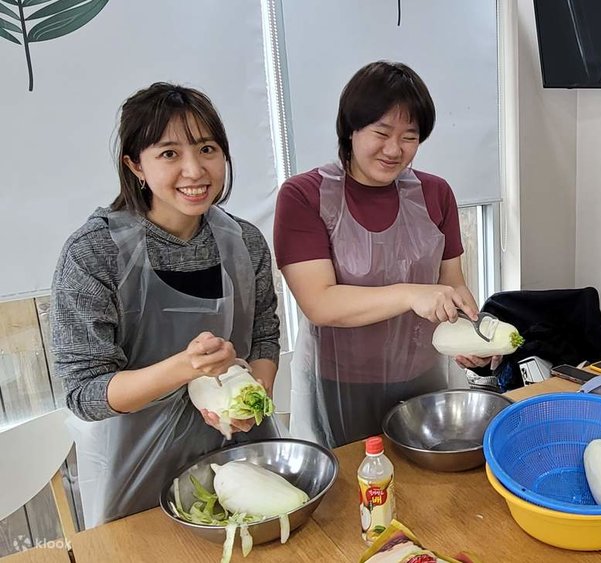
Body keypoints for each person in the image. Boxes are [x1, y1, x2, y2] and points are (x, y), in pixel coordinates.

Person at [51, 83, 281, 528]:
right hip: (138, 474)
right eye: (169, 153)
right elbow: (86, 394)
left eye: (207, 149)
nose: (194, 170)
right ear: (135, 165)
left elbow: (265, 335)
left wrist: (255, 397)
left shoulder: (245, 241)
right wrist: (186, 368)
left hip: (241, 456)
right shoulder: (94, 252)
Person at [274, 61, 493, 449]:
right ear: (351, 129)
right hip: (342, 385)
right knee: (359, 488)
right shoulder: (304, 196)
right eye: (381, 132)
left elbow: (452, 285)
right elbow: (320, 303)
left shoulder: (435, 193)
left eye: (410, 136)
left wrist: (472, 338)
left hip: (424, 377)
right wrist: (411, 293)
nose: (395, 150)